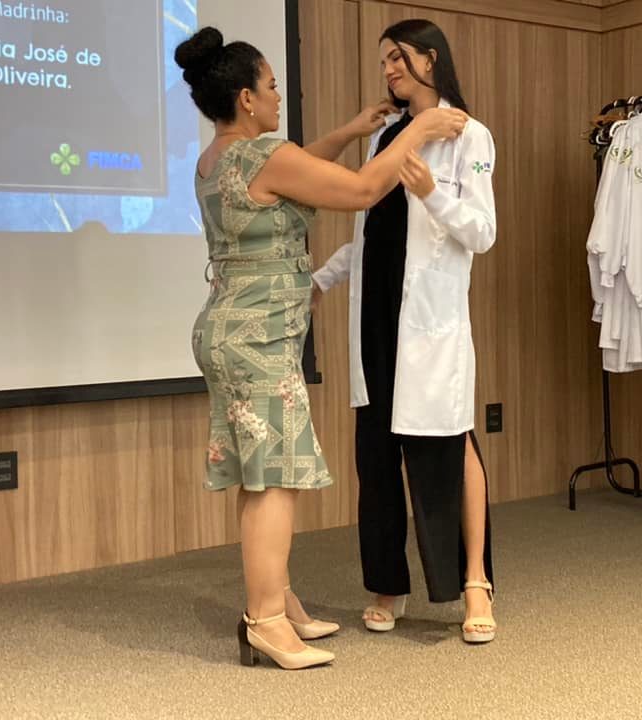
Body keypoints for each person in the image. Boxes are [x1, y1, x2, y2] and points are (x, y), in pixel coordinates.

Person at [176, 26, 468, 670]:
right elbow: (360, 190)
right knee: (275, 481)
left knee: (261, 476)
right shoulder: (263, 156)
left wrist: (351, 131)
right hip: (258, 338)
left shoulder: (217, 158)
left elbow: (300, 165)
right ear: (247, 99)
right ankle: (265, 620)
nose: (278, 97)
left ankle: (278, 599)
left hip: (230, 328)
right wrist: (419, 130)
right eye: (272, 86)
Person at [312, 19, 498, 644]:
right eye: (384, 60)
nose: (389, 68)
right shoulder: (386, 137)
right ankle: (386, 585)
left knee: (450, 446)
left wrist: (434, 195)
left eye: (398, 56)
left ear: (431, 58)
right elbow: (372, 237)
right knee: (376, 461)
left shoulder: (468, 134)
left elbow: (483, 232)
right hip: (375, 323)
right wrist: (323, 279)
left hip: (430, 325)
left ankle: (475, 582)